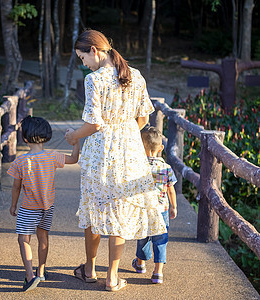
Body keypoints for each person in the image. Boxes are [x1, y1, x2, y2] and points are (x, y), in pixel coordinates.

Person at [65, 29, 167, 292]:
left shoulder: (94, 80)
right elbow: (144, 118)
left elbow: (94, 124)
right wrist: (125, 132)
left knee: (95, 211)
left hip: (101, 154)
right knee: (119, 214)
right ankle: (112, 277)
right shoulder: (136, 75)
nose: (82, 64)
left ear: (94, 51)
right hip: (131, 150)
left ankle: (89, 269)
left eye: (82, 57)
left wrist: (73, 135)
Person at [8, 116, 80, 292]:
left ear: (25, 138)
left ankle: (29, 276)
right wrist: (76, 142)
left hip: (29, 208)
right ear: (46, 135)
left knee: (23, 239)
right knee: (43, 238)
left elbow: (16, 187)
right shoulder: (52, 156)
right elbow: (73, 159)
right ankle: (41, 271)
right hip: (48, 207)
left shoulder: (20, 161)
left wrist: (13, 205)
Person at [132, 126, 177, 284]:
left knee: (142, 237)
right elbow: (171, 190)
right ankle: (158, 273)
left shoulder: (138, 167)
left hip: (143, 209)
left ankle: (140, 264)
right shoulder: (166, 168)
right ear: (161, 148)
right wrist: (173, 207)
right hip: (161, 210)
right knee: (160, 240)